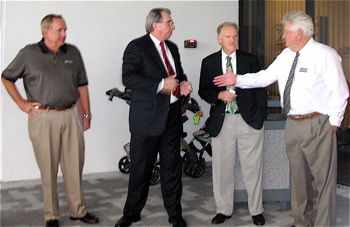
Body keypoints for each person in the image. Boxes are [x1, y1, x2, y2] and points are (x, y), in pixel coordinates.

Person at [213, 11, 349, 227]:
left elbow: (340, 93)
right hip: (293, 123)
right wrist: (237, 79)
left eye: (286, 32)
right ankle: (301, 221)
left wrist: (332, 125)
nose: (283, 36)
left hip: (318, 123)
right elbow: (265, 77)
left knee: (324, 181)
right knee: (298, 178)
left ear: (299, 32)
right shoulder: (287, 55)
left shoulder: (325, 55)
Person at [1, 14, 99, 227]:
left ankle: (78, 210)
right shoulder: (29, 53)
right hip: (43, 117)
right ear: (46, 32)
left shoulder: (72, 52)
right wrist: (21, 103)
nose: (64, 34)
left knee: (74, 165)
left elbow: (82, 85)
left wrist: (86, 114)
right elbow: (6, 77)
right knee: (48, 168)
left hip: (71, 114)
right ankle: (51, 215)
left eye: (65, 30)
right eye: (59, 30)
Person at [114, 8, 192, 227]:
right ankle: (131, 213)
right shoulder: (136, 47)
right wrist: (160, 85)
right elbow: (128, 78)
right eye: (169, 22)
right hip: (146, 119)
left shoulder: (173, 48)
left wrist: (183, 83)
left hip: (172, 117)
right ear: (155, 25)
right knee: (141, 169)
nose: (173, 26)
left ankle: (175, 215)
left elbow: (178, 74)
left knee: (172, 168)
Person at [198, 22, 267, 226]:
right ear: (219, 38)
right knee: (222, 169)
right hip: (223, 121)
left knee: (253, 168)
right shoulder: (209, 62)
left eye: (235, 36)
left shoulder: (251, 60)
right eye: (228, 36)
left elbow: (261, 88)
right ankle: (224, 209)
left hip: (249, 122)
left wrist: (260, 116)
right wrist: (219, 94)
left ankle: (256, 210)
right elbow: (204, 90)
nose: (233, 40)